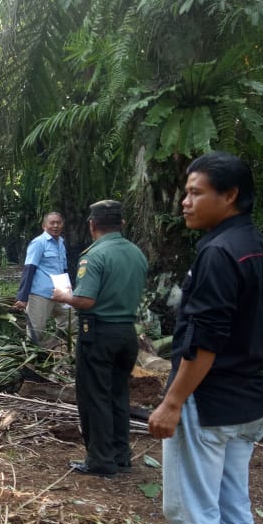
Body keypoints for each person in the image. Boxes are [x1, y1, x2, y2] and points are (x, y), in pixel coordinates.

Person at [136, 153, 263, 524]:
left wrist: (172, 401)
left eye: (196, 191)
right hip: (249, 402)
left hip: (209, 401)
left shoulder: (219, 253)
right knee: (232, 508)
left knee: (194, 513)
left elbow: (206, 340)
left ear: (231, 196)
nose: (185, 200)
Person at [51, 200, 147, 476]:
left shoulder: (94, 255)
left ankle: (100, 459)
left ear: (92, 225)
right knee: (118, 393)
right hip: (128, 333)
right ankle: (120, 455)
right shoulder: (136, 253)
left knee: (95, 396)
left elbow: (85, 299)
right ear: (122, 225)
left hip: (99, 332)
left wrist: (63, 296)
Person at [15, 212, 73, 346]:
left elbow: (63, 270)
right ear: (44, 225)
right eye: (52, 223)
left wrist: (69, 291)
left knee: (71, 319)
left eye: (58, 222)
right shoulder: (39, 243)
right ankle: (30, 360)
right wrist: (22, 297)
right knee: (35, 331)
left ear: (62, 225)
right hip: (40, 293)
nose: (56, 225)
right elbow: (29, 269)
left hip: (60, 292)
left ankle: (53, 346)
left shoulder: (61, 244)